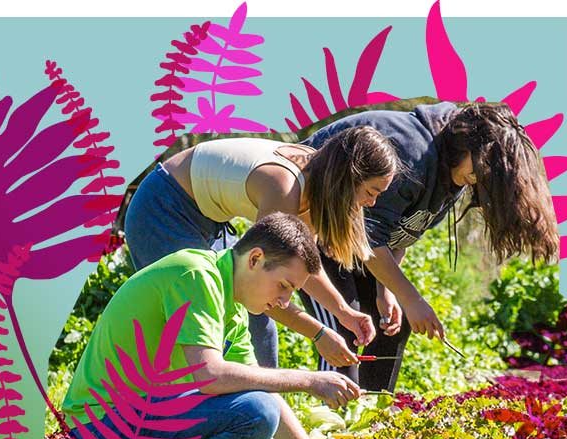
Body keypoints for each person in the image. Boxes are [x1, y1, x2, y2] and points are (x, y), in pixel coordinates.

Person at [63, 213, 364, 439]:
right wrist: (310, 380)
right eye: (284, 286)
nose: (284, 303)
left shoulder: (233, 305)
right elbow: (210, 375)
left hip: (129, 426)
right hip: (97, 432)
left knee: (259, 403)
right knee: (258, 411)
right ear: (255, 259)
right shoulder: (196, 275)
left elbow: (260, 386)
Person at [298, 101, 559, 392]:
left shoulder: (453, 172)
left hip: (358, 239)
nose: (477, 181)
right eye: (479, 172)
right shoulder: (413, 153)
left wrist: (387, 292)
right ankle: (332, 419)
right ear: (466, 145)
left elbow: (400, 230)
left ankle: (371, 414)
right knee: (345, 324)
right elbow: (369, 235)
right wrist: (411, 297)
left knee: (391, 323)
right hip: (319, 226)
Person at [123, 127, 400, 370]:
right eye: (371, 192)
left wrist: (343, 313)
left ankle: (262, 410)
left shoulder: (317, 180)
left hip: (209, 219)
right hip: (162, 209)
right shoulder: (286, 187)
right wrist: (318, 334)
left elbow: (302, 263)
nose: (372, 203)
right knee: (203, 319)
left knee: (253, 323)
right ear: (347, 179)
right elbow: (264, 289)